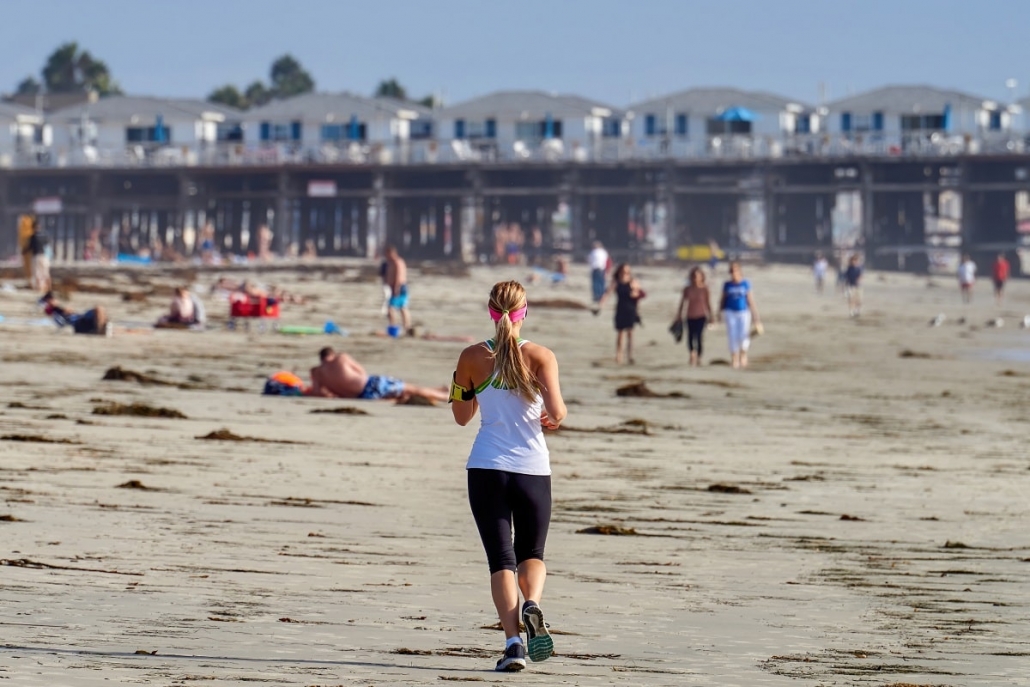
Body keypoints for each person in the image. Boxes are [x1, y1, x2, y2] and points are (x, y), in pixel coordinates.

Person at [450, 280, 567, 672]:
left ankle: (514, 643)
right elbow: (558, 412)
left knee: (500, 560)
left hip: (486, 468)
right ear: (524, 313)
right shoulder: (540, 356)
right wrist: (549, 417)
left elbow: (462, 418)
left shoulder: (470, 357)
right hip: (532, 470)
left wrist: (459, 382)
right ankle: (531, 602)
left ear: (490, 312)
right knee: (531, 554)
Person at [306, 347, 446, 402]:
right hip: (371, 384)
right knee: (411, 388)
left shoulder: (316, 373)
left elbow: (318, 392)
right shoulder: (341, 358)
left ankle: (438, 390)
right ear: (332, 354)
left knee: (403, 394)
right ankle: (446, 396)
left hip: (362, 397)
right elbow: (361, 372)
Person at [718, 261, 761, 369]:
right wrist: (719, 313)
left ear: (740, 271)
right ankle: (734, 358)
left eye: (735, 270)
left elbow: (750, 300)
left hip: (743, 312)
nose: (733, 273)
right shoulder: (727, 285)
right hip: (730, 312)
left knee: (744, 335)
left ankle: (743, 355)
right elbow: (722, 299)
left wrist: (756, 316)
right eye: (732, 271)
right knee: (732, 335)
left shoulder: (745, 284)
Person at [600, 263, 645, 364]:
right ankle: (618, 355)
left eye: (627, 271)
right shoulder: (616, 282)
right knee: (620, 334)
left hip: (631, 309)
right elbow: (608, 293)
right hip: (620, 309)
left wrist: (635, 292)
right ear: (620, 271)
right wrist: (601, 304)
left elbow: (640, 294)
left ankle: (630, 356)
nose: (625, 273)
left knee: (630, 334)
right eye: (624, 271)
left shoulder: (633, 281)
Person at [674, 266, 713, 366]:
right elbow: (682, 302)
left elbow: (708, 303)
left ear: (701, 277)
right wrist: (679, 315)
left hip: (701, 316)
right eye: (694, 276)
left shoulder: (704, 289)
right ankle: (692, 354)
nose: (696, 278)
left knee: (699, 337)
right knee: (690, 337)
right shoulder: (687, 289)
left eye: (698, 276)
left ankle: (699, 357)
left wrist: (711, 316)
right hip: (689, 316)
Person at [39, 292, 111, 336]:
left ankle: (102, 328)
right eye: (53, 299)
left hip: (80, 320)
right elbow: (65, 317)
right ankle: (100, 330)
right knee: (98, 308)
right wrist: (67, 310)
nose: (55, 300)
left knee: (101, 311)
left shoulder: (57, 309)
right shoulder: (56, 310)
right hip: (79, 323)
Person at [384, 246, 412, 334]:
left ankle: (393, 327)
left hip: (398, 287)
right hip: (401, 286)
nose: (386, 256)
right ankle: (407, 327)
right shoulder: (394, 262)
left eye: (387, 254)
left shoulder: (397, 262)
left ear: (392, 253)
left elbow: (398, 276)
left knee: (390, 308)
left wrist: (395, 288)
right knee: (403, 307)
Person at [25, 220, 52, 294]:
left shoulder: (33, 237)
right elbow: (48, 246)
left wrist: (23, 251)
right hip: (44, 256)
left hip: (36, 256)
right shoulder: (45, 236)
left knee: (37, 273)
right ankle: (49, 287)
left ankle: (39, 288)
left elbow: (29, 248)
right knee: (46, 273)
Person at [587, 241, 610, 306]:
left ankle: (596, 296)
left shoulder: (592, 252)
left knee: (595, 283)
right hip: (602, 269)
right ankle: (602, 296)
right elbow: (607, 261)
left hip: (595, 268)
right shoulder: (604, 252)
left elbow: (590, 261)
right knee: (602, 283)